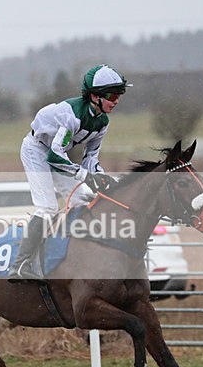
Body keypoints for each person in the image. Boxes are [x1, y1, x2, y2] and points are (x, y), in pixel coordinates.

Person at [8, 64, 131, 281]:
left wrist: (100, 176)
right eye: (112, 95)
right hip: (36, 150)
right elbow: (55, 156)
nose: (116, 101)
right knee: (47, 207)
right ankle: (20, 264)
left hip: (58, 154)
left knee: (84, 198)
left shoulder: (102, 122)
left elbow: (91, 159)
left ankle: (73, 254)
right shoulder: (71, 115)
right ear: (94, 96)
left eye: (119, 95)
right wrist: (85, 176)